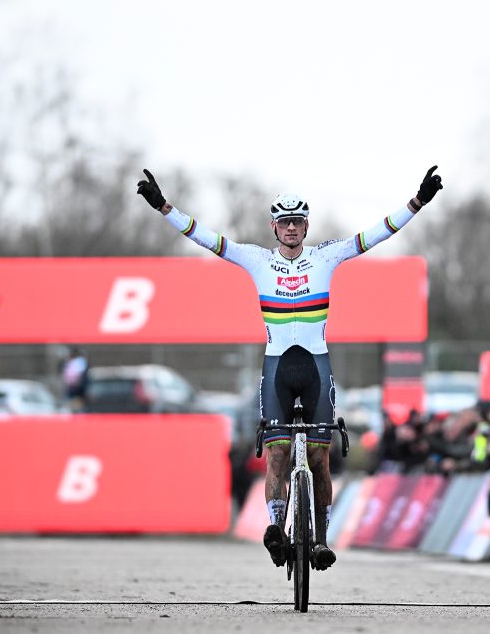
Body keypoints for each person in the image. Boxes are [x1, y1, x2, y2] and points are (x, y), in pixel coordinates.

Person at [136, 166, 443, 570]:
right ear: (274, 227)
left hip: (315, 365)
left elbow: (376, 234)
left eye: (298, 222)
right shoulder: (256, 259)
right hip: (278, 367)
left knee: (319, 461)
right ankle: (276, 530)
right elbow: (206, 238)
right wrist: (163, 207)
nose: (292, 229)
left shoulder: (326, 255)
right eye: (285, 223)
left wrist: (417, 203)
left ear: (306, 226)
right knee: (278, 455)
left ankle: (319, 542)